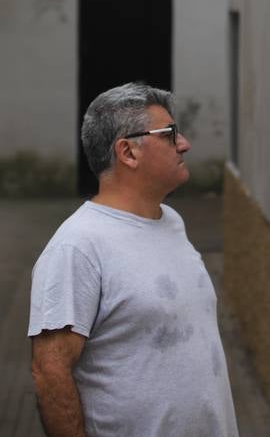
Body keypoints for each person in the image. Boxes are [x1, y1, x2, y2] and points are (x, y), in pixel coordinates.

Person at [28, 83, 239, 437]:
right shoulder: (77, 247)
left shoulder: (171, 221)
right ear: (127, 152)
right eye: (170, 134)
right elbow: (50, 373)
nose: (184, 143)